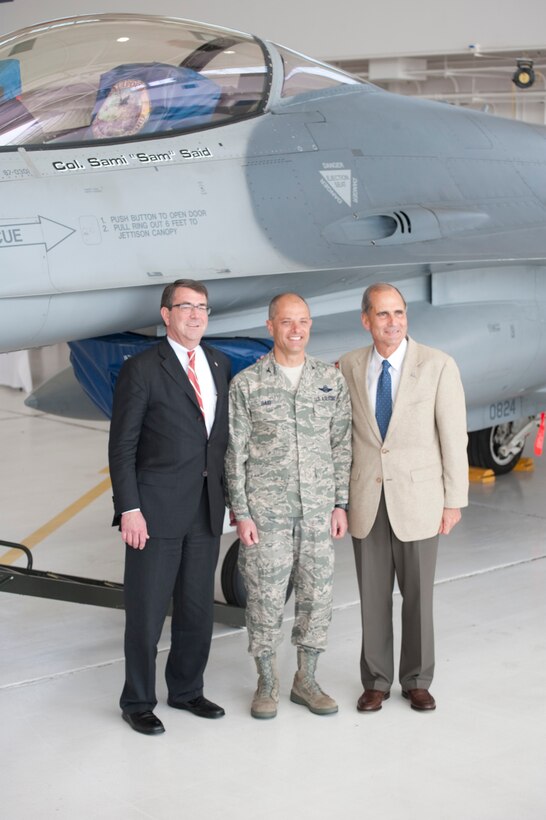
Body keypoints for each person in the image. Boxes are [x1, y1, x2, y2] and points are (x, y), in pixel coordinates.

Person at [108, 278, 231, 735]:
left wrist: (231, 502)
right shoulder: (142, 368)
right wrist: (129, 509)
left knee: (198, 608)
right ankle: (137, 699)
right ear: (166, 315)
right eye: (186, 307)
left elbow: (218, 442)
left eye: (202, 307)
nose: (196, 315)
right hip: (155, 510)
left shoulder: (217, 363)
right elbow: (122, 447)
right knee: (146, 609)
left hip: (205, 508)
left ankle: (186, 690)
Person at [339, 283, 468, 713]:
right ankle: (375, 680)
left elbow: (453, 438)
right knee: (372, 598)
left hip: (420, 501)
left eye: (399, 313)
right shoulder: (349, 367)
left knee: (418, 598)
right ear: (366, 320)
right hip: (367, 500)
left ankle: (416, 680)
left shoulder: (438, 365)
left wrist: (454, 501)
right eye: (382, 315)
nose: (392, 323)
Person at [225, 292, 352, 719]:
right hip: (267, 517)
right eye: (286, 322)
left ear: (310, 325)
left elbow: (341, 445)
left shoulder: (329, 381)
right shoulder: (247, 384)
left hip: (318, 513)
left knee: (317, 597)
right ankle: (267, 682)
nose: (296, 330)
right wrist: (241, 513)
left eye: (303, 321)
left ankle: (306, 680)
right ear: (271, 326)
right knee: (264, 599)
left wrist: (340, 504)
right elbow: (234, 454)